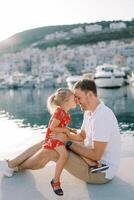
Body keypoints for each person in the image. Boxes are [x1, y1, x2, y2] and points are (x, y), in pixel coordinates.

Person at [0, 79, 121, 188]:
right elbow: (82, 137)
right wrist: (67, 133)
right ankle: (11, 164)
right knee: (49, 140)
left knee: (51, 151)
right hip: (90, 161)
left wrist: (66, 141)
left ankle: (15, 168)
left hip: (100, 172)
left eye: (78, 97)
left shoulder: (102, 116)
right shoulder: (89, 112)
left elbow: (96, 156)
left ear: (89, 94)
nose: (77, 101)